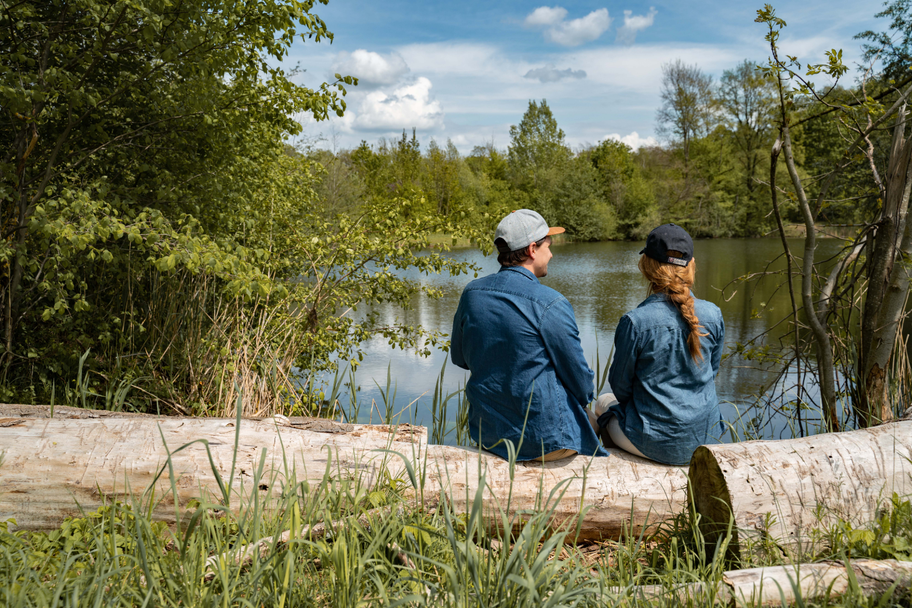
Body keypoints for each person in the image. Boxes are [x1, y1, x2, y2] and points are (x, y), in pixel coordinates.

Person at [450, 209, 607, 461]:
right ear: (533, 249)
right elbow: (582, 384)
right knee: (603, 417)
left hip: (489, 435)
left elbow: (460, 358)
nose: (552, 253)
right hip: (544, 441)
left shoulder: (472, 293)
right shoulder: (550, 303)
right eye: (548, 245)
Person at [594, 223, 724, 466]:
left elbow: (621, 389)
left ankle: (623, 469)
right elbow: (711, 372)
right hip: (707, 438)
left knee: (603, 403)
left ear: (647, 266)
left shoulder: (635, 322)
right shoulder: (713, 314)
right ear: (691, 265)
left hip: (656, 443)